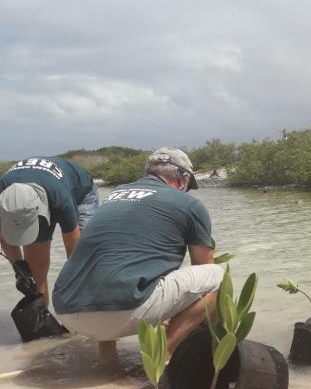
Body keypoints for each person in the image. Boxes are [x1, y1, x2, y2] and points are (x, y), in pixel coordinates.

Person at [53, 148, 223, 363]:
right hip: (119, 312)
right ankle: (161, 358)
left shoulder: (114, 197)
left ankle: (108, 362)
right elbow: (203, 266)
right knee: (216, 275)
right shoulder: (190, 205)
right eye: (189, 186)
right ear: (183, 178)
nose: (187, 192)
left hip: (66, 309)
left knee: (112, 269)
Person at [0, 156, 98, 305]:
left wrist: (72, 282)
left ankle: (83, 314)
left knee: (84, 263)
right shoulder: (3, 198)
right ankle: (42, 317)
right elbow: (4, 236)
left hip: (81, 193)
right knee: (34, 270)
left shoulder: (61, 200)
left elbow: (74, 254)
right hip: (32, 197)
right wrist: (19, 268)